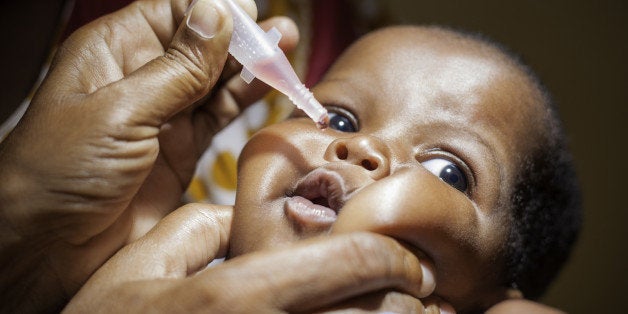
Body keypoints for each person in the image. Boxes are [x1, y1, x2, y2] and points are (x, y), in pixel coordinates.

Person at [63, 25, 581, 313]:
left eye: (449, 171)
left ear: (489, 300)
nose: (360, 147)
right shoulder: (140, 283)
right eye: (337, 118)